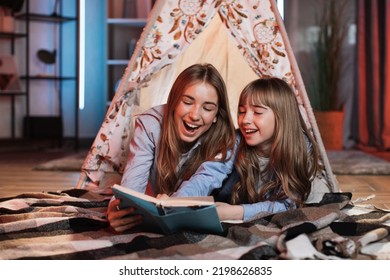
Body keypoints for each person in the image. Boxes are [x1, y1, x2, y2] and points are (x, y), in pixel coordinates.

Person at [108, 63, 237, 232]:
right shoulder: (150, 124)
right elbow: (131, 188)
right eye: (187, 102)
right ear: (174, 101)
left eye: (207, 108)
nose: (195, 115)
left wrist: (172, 204)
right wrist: (116, 208)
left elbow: (202, 183)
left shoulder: (225, 138)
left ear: (215, 115)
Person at [215, 77, 331, 222]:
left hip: (292, 200)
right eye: (241, 111)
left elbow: (289, 205)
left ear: (281, 117)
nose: (245, 120)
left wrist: (234, 212)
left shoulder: (298, 150)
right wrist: (183, 201)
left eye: (257, 112)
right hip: (244, 199)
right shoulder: (238, 139)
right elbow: (209, 173)